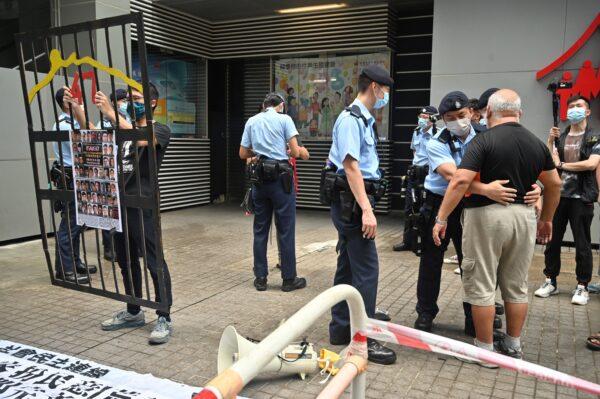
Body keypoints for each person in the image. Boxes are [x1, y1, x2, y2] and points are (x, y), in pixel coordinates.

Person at [432, 89, 561, 362]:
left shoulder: (483, 142)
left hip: (486, 218)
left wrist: (441, 218)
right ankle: (513, 345)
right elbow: (554, 184)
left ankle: (485, 349)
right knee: (516, 285)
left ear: (488, 112)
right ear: (519, 113)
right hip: (523, 218)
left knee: (482, 284)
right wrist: (546, 218)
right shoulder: (536, 143)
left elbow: (459, 181)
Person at [413, 90, 542, 336]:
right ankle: (425, 313)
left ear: (472, 113)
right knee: (431, 262)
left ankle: (473, 319)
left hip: (475, 206)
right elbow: (454, 178)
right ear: (443, 119)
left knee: (473, 265)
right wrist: (486, 189)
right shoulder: (436, 142)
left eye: (461, 115)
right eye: (450, 117)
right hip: (441, 204)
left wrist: (536, 189)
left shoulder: (488, 136)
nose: (457, 121)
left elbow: (515, 165)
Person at [326, 64, 397, 365]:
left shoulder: (364, 120)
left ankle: (341, 328)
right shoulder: (351, 120)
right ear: (374, 87)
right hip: (351, 204)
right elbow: (351, 166)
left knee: (348, 267)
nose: (386, 95)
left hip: (352, 201)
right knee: (367, 269)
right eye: (385, 90)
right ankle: (363, 340)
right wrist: (367, 210)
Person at [95, 83, 174, 345]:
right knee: (125, 260)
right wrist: (80, 111)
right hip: (120, 203)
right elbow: (94, 136)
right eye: (128, 98)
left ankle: (163, 315)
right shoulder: (121, 128)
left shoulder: (159, 129)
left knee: (153, 260)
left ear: (152, 103)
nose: (130, 101)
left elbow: (141, 138)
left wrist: (110, 112)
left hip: (144, 206)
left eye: (137, 98)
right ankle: (133, 310)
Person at [534, 95, 600, 305]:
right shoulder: (561, 136)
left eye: (579, 106)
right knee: (552, 240)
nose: (574, 110)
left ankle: (582, 286)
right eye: (571, 106)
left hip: (581, 197)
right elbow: (548, 161)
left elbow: (591, 164)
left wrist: (561, 164)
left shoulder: (594, 137)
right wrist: (550, 140)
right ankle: (550, 281)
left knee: (582, 244)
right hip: (558, 197)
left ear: (587, 112)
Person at [239, 92, 307, 292]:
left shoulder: (252, 121)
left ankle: (260, 278)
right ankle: (288, 279)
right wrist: (280, 150)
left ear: (263, 105)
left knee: (260, 229)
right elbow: (295, 152)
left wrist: (260, 151)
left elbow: (243, 153)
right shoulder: (285, 119)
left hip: (259, 179)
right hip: (281, 180)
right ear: (281, 105)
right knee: (285, 229)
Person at [52, 88, 97, 284]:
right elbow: (85, 146)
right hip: (70, 178)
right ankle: (64, 270)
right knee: (69, 225)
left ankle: (75, 262)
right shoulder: (64, 126)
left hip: (78, 177)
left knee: (77, 224)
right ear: (65, 102)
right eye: (74, 96)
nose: (80, 99)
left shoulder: (71, 123)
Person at [393, 106, 438, 252]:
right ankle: (407, 241)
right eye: (421, 116)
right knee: (409, 208)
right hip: (414, 174)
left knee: (425, 208)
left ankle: (425, 241)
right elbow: (414, 152)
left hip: (429, 175)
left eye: (425, 117)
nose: (422, 119)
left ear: (433, 119)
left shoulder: (438, 134)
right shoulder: (416, 132)